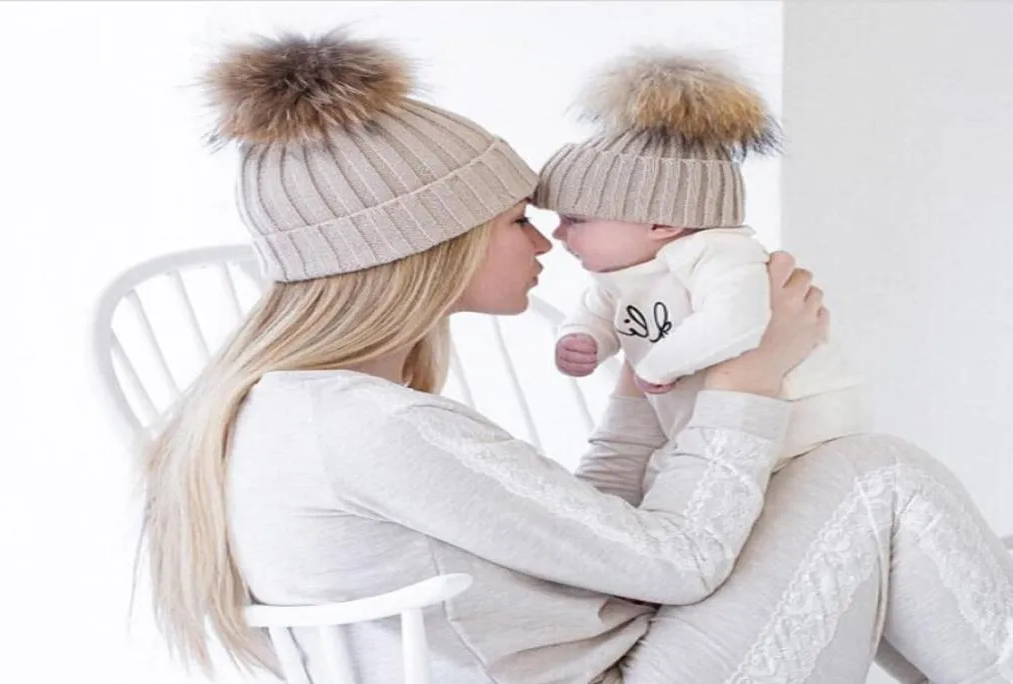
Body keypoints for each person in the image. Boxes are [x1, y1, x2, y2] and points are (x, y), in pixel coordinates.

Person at [139, 30, 1013, 684]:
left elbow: (596, 536)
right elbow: (677, 562)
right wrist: (753, 377)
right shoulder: (369, 425)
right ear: (431, 245)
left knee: (929, 527)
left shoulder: (310, 412)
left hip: (615, 652)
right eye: (517, 220)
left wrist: (654, 367)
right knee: (876, 477)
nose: (547, 241)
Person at [543, 49, 870, 471]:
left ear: (661, 221)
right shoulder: (622, 276)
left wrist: (660, 366)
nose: (557, 234)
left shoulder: (719, 254)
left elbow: (735, 322)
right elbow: (597, 312)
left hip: (803, 425)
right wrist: (582, 338)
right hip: (716, 429)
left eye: (576, 219)